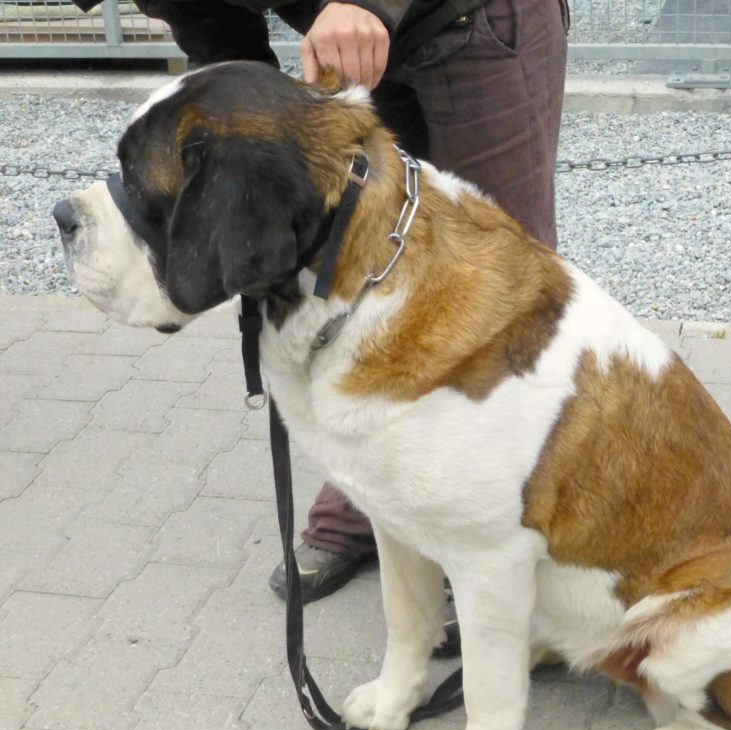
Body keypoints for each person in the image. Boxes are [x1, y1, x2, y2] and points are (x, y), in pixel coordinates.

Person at [74, 0, 569, 602]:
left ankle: (520, 539)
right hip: (347, 43)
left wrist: (369, 5)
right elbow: (217, 35)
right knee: (354, 274)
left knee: (504, 291)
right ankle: (370, 492)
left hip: (472, 17)